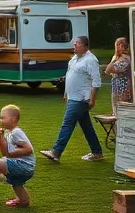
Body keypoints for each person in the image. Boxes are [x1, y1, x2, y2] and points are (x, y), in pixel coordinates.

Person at [40, 36, 103, 164]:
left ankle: (56, 152)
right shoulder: (74, 59)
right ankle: (97, 152)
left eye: (77, 43)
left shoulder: (91, 60)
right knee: (87, 127)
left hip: (81, 98)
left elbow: (96, 81)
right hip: (73, 97)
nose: (74, 45)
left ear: (84, 46)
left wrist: (92, 99)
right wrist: (66, 93)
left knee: (67, 124)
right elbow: (70, 75)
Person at [107, 37, 133, 106]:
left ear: (121, 46)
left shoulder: (125, 59)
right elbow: (107, 71)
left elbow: (110, 70)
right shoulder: (119, 58)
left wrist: (113, 60)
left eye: (116, 46)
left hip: (122, 88)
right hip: (116, 87)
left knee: (121, 107)